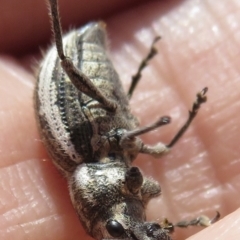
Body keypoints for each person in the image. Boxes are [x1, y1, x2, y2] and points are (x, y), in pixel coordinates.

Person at [0, 0, 239, 239]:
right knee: (158, 149)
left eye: (116, 229)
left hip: (69, 86)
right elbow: (150, 188)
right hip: (106, 124)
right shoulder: (120, 173)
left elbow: (124, 181)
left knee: (66, 61)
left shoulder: (83, 155)